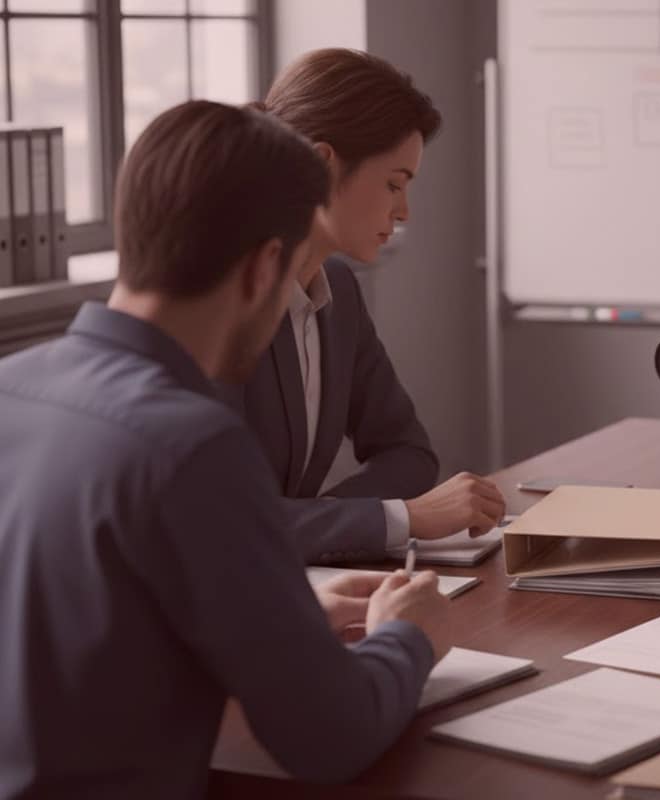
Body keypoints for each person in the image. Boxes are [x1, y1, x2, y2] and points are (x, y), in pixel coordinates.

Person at [0, 100, 452, 796]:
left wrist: (282, 616)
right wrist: (408, 635)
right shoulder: (192, 446)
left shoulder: (11, 387)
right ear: (265, 267)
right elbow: (331, 736)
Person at [225, 48, 505, 565]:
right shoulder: (220, 306)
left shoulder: (339, 291)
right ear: (322, 165)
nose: (404, 211)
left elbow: (409, 452)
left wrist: (324, 523)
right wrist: (400, 519)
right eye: (393, 184)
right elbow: (225, 525)